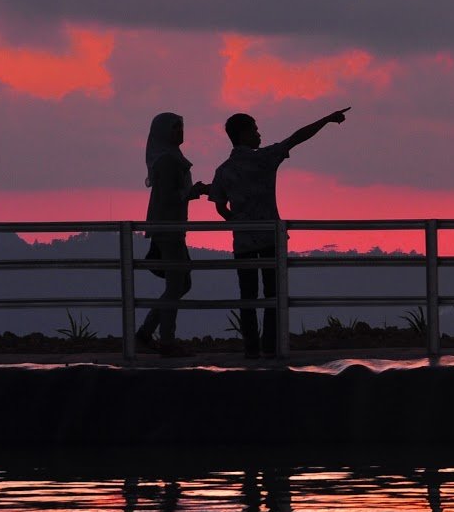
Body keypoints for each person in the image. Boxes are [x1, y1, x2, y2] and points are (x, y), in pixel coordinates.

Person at [211, 107, 350, 358]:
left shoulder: (223, 170)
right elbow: (297, 137)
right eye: (254, 129)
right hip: (269, 238)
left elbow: (221, 207)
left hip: (243, 242)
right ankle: (271, 347)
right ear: (243, 134)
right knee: (273, 295)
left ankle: (251, 349)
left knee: (248, 297)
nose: (258, 133)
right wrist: (326, 119)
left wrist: (239, 223)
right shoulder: (265, 158)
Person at [136, 112, 208, 357]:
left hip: (171, 228)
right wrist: (193, 192)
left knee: (181, 283)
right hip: (169, 229)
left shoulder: (169, 157)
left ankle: (146, 333)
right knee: (178, 284)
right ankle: (166, 340)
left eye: (181, 127)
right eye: (175, 128)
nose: (180, 131)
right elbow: (169, 198)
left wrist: (192, 191)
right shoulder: (168, 161)